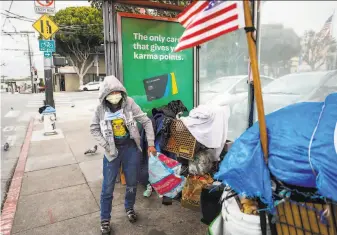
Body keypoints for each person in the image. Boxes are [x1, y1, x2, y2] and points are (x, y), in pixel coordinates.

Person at [90, 75, 156, 235]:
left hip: (130, 148)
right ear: (105, 95)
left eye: (117, 92)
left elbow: (146, 122)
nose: (114, 96)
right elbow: (94, 128)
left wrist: (151, 143)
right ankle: (105, 219)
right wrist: (106, 145)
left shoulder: (129, 104)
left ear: (122, 92)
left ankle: (129, 208)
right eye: (111, 93)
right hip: (112, 151)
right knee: (108, 186)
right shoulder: (100, 109)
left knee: (132, 182)